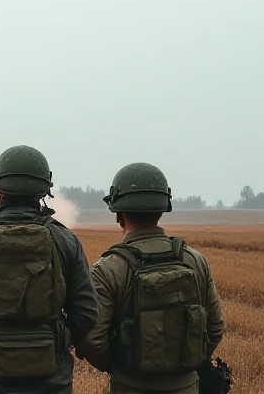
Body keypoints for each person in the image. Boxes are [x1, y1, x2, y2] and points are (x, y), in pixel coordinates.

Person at [0, 144, 98, 394]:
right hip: (52, 381)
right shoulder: (64, 239)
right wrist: (58, 341)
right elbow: (86, 310)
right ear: (43, 191)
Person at [76, 162, 226, 394]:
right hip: (186, 386)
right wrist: (187, 362)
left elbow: (93, 340)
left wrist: (121, 368)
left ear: (118, 213)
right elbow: (215, 327)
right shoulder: (195, 260)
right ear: (163, 207)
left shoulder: (109, 269)